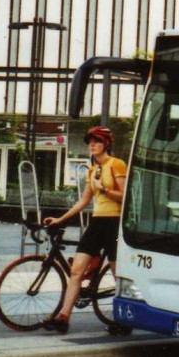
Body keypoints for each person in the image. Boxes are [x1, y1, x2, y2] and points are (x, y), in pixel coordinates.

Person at [41, 126, 128, 333]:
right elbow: (83, 201)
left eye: (97, 141)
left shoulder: (116, 164)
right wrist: (60, 219)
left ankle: (124, 321)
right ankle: (63, 318)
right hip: (97, 222)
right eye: (90, 142)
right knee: (76, 270)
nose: (92, 145)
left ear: (106, 143)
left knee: (118, 274)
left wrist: (104, 189)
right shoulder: (92, 170)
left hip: (115, 224)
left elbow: (124, 197)